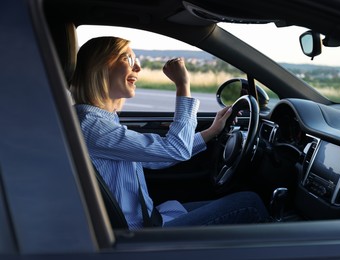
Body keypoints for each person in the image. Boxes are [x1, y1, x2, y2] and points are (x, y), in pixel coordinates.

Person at [70, 36, 269, 229]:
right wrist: (183, 85)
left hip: (151, 219)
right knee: (249, 204)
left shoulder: (100, 121)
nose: (137, 68)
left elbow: (157, 157)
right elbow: (176, 149)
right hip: (138, 232)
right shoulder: (93, 127)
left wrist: (211, 131)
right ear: (100, 67)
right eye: (128, 59)